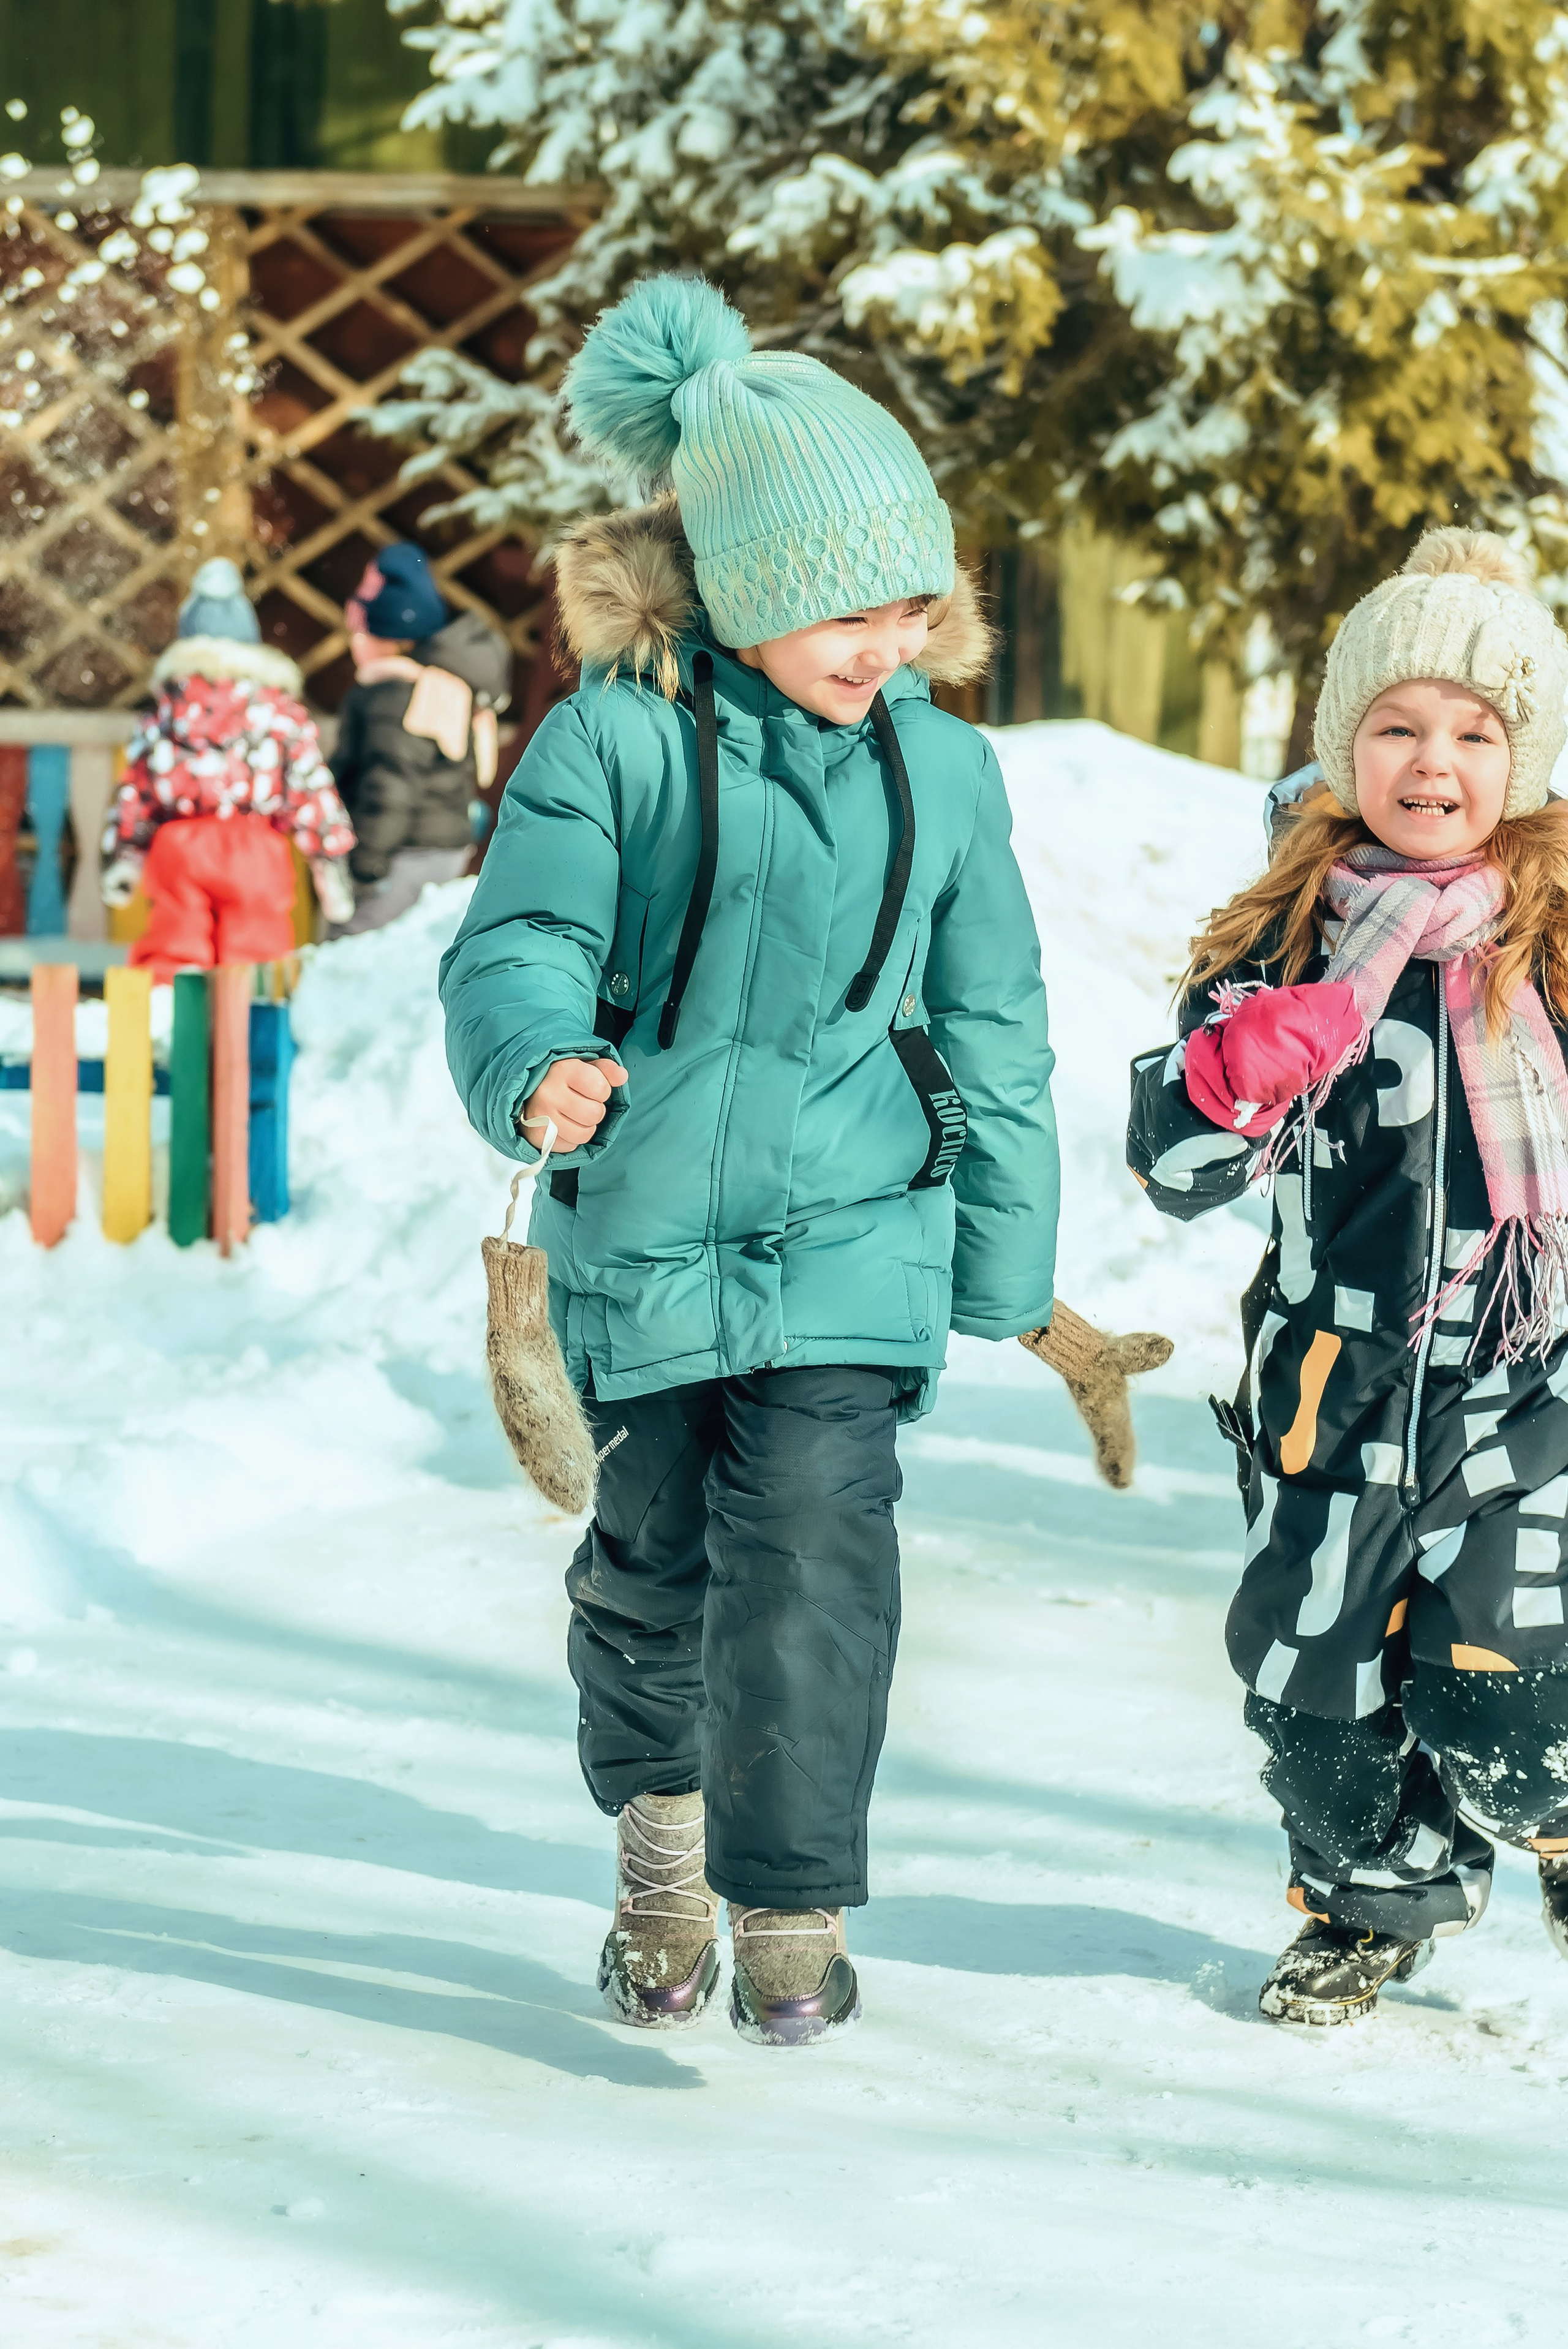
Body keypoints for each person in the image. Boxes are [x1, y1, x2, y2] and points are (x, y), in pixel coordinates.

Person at [440, 276, 1059, 2045]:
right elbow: (519, 941)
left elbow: (996, 1021)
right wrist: (535, 1059)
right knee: (652, 1568)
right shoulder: (614, 739)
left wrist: (1004, 1264)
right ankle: (662, 1830)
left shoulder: (944, 775)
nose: (886, 642)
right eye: (844, 608)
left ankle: (793, 1900)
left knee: (817, 1548)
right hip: (641, 1231)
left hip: (852, 1233)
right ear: (752, 591)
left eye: (911, 603)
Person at [1128, 529, 1568, 2026]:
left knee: (1504, 1685)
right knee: (1308, 1692)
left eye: (1472, 728)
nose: (1429, 758)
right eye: (1393, 723)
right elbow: (1170, 1169)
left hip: (1529, 1391)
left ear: (1525, 760)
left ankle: (1551, 1810)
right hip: (1327, 1392)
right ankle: (1368, 1897)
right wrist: (1226, 1074)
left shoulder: (1558, 947)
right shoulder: (1287, 936)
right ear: (1340, 748)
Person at [103, 557, 355, 978]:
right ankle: (248, 1025)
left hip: (181, 843)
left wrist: (126, 855)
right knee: (255, 948)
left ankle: (174, 1022)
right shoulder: (279, 713)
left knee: (175, 942)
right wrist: (329, 862)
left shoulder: (166, 712)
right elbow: (310, 788)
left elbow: (137, 790)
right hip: (254, 846)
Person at [329, 543, 511, 937]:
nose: (354, 642)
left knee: (347, 946)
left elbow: (391, 783)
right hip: (441, 843)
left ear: (394, 638)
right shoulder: (434, 685)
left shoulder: (395, 698)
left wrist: (365, 867)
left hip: (404, 851)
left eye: (364, 633)